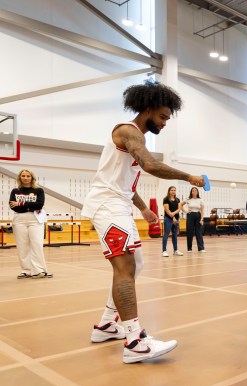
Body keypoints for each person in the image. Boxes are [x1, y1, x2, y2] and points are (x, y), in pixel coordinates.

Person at [82, 81, 205, 364]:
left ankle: (105, 326)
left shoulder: (138, 138)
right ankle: (135, 342)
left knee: (136, 265)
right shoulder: (127, 130)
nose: (165, 121)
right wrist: (188, 177)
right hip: (107, 205)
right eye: (162, 116)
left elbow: (127, 182)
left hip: (119, 203)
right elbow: (149, 165)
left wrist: (143, 210)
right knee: (125, 268)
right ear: (148, 109)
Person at [9, 169, 52, 279]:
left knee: (37, 245)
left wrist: (21, 203)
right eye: (23, 176)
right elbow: (13, 206)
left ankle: (40, 270)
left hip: (35, 220)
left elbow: (39, 205)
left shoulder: (39, 190)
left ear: (32, 177)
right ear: (20, 177)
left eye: (28, 176)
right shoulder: (15, 191)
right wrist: (30, 206)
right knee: (22, 246)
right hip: (19, 220)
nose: (25, 178)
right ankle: (26, 270)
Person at [162, 186, 185, 257]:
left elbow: (179, 209)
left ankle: (175, 250)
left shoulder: (177, 199)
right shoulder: (166, 199)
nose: (173, 191)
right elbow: (167, 210)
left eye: (174, 190)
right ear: (169, 191)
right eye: (172, 190)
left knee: (175, 235)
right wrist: (173, 217)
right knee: (166, 234)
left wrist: (174, 215)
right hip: (168, 219)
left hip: (176, 219)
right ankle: (164, 251)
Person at [184, 187, 205, 253]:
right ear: (191, 192)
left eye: (196, 190)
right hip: (190, 215)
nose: (194, 192)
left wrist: (201, 219)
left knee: (198, 232)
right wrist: (185, 211)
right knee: (190, 232)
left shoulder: (200, 200)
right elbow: (180, 205)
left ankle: (201, 248)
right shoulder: (188, 199)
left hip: (198, 215)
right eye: (193, 191)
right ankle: (189, 248)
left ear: (197, 192)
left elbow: (202, 210)